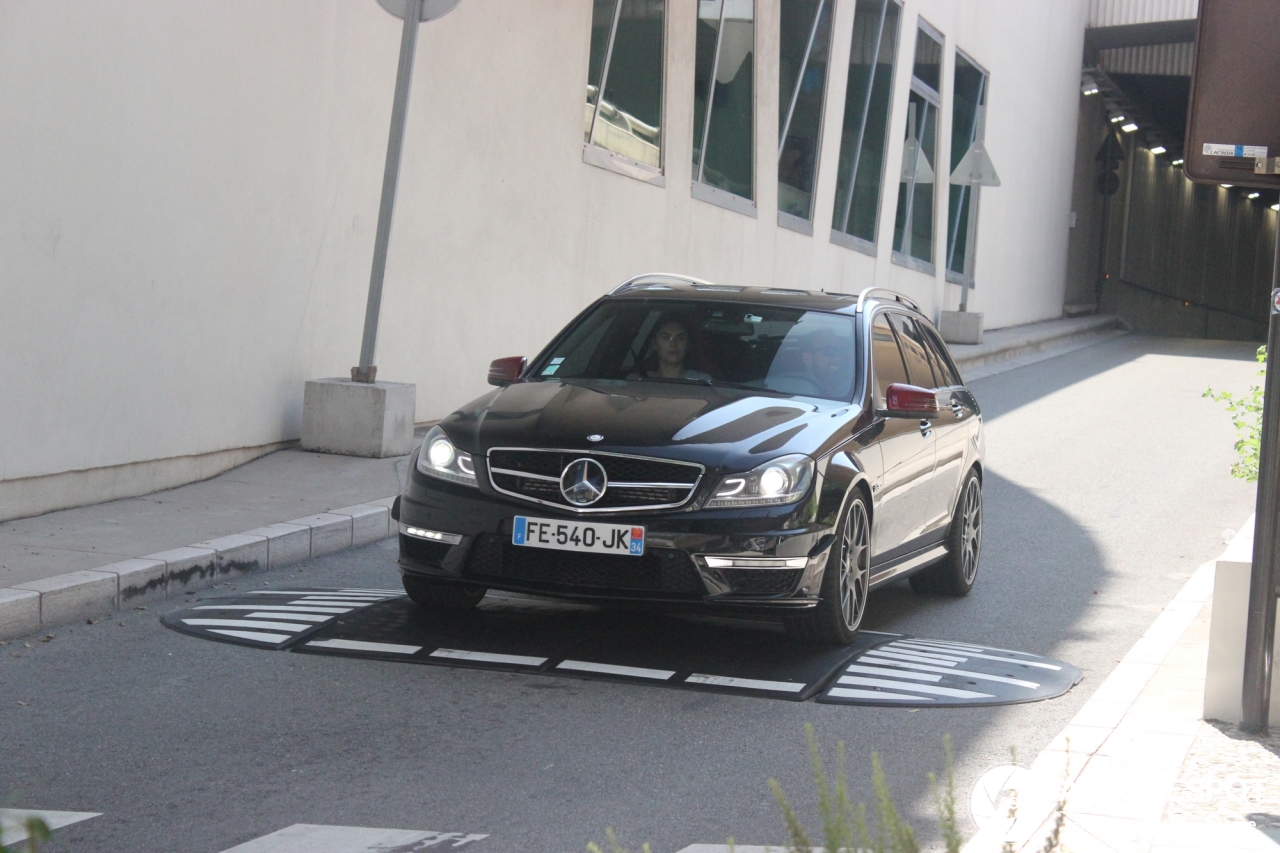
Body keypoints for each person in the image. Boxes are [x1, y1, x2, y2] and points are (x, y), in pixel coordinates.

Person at [634, 319, 712, 381]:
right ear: (654, 344)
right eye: (666, 338)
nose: (673, 344)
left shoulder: (702, 381)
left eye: (680, 338)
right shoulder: (639, 380)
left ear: (688, 345)